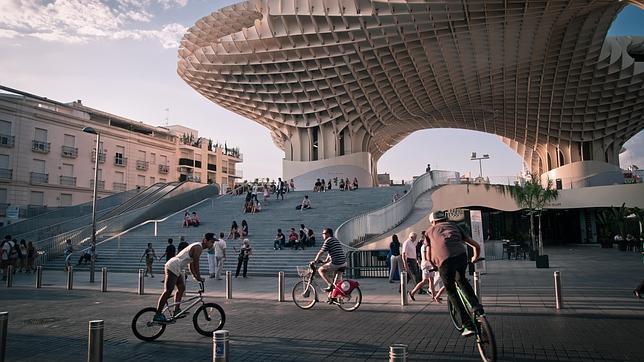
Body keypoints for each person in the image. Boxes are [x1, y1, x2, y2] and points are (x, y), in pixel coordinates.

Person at [426, 210, 483, 337]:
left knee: (451, 290)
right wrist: (474, 257)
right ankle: (477, 308)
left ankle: (467, 325)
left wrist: (435, 266)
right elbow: (476, 246)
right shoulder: (455, 226)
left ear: (433, 222)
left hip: (444, 261)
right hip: (461, 256)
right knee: (462, 280)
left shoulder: (429, 232)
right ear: (444, 219)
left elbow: (428, 256)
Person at [154, 233, 215, 323]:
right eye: (211, 242)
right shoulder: (198, 248)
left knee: (181, 288)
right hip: (173, 266)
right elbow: (196, 264)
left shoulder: (197, 246)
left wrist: (195, 276)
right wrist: (199, 277)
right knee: (168, 291)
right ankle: (158, 314)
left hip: (177, 267)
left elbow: (191, 264)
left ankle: (177, 310)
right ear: (205, 241)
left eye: (213, 242)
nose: (212, 244)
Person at [312, 228, 347, 292]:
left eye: (324, 233)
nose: (322, 235)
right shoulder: (335, 240)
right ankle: (336, 297)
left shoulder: (328, 240)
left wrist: (315, 261)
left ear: (328, 234)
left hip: (336, 262)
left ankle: (329, 285)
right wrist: (326, 261)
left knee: (320, 270)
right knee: (336, 281)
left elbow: (321, 252)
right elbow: (330, 252)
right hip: (343, 262)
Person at [408, 235, 438, 301]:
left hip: (429, 265)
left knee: (431, 280)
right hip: (426, 265)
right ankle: (412, 292)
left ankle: (434, 296)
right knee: (425, 281)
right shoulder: (424, 247)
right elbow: (426, 257)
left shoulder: (427, 246)